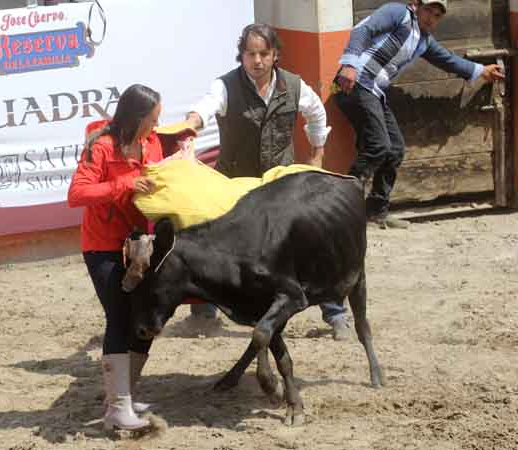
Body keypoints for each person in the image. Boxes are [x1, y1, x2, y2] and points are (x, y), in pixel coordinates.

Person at [185, 23, 351, 341]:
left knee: (311, 244)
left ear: (275, 55)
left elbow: (317, 114)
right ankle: (205, 309)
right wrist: (192, 123)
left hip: (281, 184)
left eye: (264, 53)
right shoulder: (225, 87)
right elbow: (205, 107)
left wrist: (317, 156)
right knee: (211, 243)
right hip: (235, 183)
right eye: (250, 54)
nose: (257, 60)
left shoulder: (294, 85)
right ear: (242, 55)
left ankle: (336, 312)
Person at [334, 0, 505, 228]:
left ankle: (376, 211)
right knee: (379, 146)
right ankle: (341, 209)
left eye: (437, 15)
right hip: (356, 83)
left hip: (374, 91)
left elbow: (447, 60)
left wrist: (481, 70)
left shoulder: (423, 41)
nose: (431, 18)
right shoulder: (398, 13)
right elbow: (363, 30)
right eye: (428, 11)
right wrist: (349, 63)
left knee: (394, 150)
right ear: (416, 4)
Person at [67, 84, 163, 431]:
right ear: (137, 118)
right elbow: (77, 194)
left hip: (137, 244)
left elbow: (156, 177)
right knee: (120, 317)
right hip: (102, 245)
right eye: (152, 120)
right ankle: (118, 409)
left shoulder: (151, 142)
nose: (156, 126)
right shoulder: (102, 145)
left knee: (144, 318)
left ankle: (122, 397)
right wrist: (125, 185)